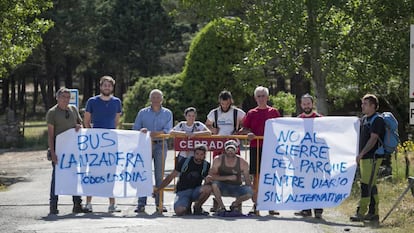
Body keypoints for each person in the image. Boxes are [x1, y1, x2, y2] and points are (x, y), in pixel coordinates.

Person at [239, 86, 281, 215]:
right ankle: (256, 205)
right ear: (255, 98)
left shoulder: (274, 112)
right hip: (255, 148)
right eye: (259, 96)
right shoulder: (251, 113)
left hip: (271, 149)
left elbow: (282, 129)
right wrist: (249, 133)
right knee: (256, 177)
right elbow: (243, 130)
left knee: (271, 176)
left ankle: (270, 205)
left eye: (263, 96)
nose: (261, 98)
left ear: (267, 97)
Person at [83, 76, 122, 213]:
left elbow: (116, 121)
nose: (107, 87)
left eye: (109, 86)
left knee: (110, 171)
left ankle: (112, 204)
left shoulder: (117, 102)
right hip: (95, 142)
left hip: (111, 142)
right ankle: (88, 203)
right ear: (100, 87)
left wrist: (108, 136)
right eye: (104, 85)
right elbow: (86, 120)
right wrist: (94, 135)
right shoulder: (92, 101)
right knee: (93, 171)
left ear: (112, 88)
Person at [133, 89, 173, 213]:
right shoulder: (142, 112)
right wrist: (142, 131)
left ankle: (159, 203)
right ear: (150, 99)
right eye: (153, 97)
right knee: (143, 174)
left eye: (158, 97)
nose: (156, 99)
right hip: (145, 146)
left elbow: (167, 131)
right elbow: (136, 128)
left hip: (161, 145)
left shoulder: (167, 113)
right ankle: (141, 203)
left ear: (162, 99)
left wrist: (150, 133)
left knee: (159, 175)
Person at [46, 87, 85, 215]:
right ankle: (53, 205)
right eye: (63, 97)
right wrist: (53, 153)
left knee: (75, 176)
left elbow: (81, 124)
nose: (66, 100)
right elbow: (50, 135)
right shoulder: (52, 113)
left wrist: (79, 126)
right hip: (59, 149)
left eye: (68, 97)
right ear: (57, 98)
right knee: (57, 178)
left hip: (73, 150)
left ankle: (77, 204)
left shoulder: (73, 109)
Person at [205, 90, 245, 211]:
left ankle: (238, 203)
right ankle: (216, 201)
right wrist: (212, 129)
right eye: (223, 104)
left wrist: (239, 131)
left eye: (227, 104)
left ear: (230, 101)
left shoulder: (238, 112)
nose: (225, 106)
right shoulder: (214, 113)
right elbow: (207, 124)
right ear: (220, 102)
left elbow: (246, 124)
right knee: (216, 172)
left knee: (236, 171)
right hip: (218, 145)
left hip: (233, 145)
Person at [350, 94, 385, 223]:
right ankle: (373, 213)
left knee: (366, 185)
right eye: (362, 103)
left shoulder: (377, 120)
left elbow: (373, 138)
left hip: (373, 157)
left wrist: (362, 153)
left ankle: (361, 212)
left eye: (365, 104)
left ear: (373, 106)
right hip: (365, 158)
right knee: (371, 184)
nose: (362, 106)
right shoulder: (365, 119)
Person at [153, 144, 212, 216]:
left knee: (208, 188)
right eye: (197, 154)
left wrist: (208, 180)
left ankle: (197, 207)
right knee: (179, 211)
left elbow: (207, 181)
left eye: (201, 154)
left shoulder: (206, 165)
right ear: (194, 154)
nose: (199, 156)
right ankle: (186, 206)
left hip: (195, 191)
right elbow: (171, 177)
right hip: (182, 191)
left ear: (205, 155)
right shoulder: (185, 162)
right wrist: (158, 189)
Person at [294, 93, 324, 218]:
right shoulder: (298, 119)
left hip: (317, 158)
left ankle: (318, 210)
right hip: (302, 158)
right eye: (304, 104)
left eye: (308, 103)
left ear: (313, 104)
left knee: (317, 182)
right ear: (301, 105)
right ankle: (306, 209)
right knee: (304, 183)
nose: (306, 106)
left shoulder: (320, 119)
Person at [206, 140, 253, 215]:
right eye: (228, 149)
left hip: (236, 187)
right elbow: (212, 176)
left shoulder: (243, 162)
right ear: (225, 150)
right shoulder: (218, 160)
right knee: (214, 184)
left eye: (232, 149)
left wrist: (252, 191)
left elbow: (247, 181)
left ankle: (235, 204)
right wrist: (228, 177)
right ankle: (222, 207)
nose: (230, 152)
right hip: (222, 187)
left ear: (236, 150)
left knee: (250, 191)